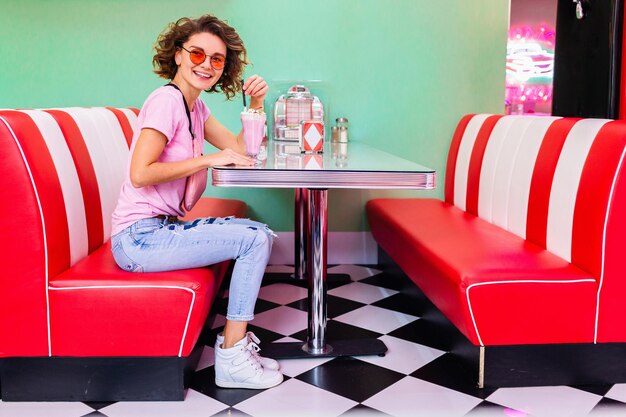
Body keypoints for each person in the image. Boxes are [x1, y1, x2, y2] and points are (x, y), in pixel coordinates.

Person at [110, 14, 283, 390]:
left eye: (217, 60)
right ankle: (233, 355)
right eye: (197, 54)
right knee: (255, 239)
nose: (206, 64)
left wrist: (256, 102)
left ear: (224, 68)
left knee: (259, 233)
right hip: (139, 240)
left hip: (159, 231)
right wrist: (207, 159)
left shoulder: (195, 108)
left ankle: (235, 349)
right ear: (177, 55)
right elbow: (140, 172)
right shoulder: (165, 102)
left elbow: (240, 150)